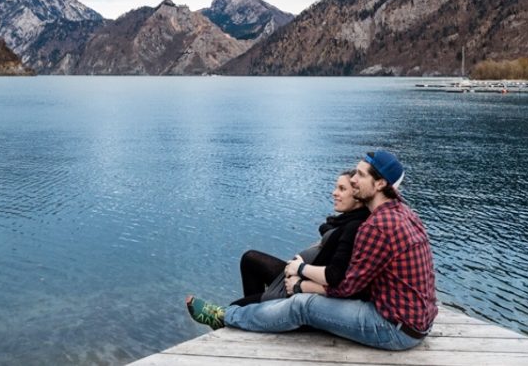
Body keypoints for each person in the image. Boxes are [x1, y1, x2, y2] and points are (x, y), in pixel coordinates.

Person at [186, 150, 437, 351]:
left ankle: (225, 317)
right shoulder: (403, 212)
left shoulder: (377, 226)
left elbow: (344, 287)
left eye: (360, 175)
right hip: (414, 320)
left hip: (393, 328)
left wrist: (300, 284)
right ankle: (241, 318)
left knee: (302, 306)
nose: (353, 180)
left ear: (381, 183)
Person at [228, 170, 370, 307]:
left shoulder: (354, 227)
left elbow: (335, 275)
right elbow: (328, 230)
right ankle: (257, 312)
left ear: (357, 196)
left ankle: (256, 311)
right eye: (336, 188)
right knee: (250, 259)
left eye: (342, 189)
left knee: (235, 307)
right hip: (299, 276)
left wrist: (301, 269)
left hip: (299, 285)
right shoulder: (347, 220)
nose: (334, 193)